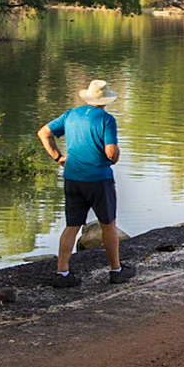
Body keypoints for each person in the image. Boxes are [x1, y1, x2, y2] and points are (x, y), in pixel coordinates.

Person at [38, 79, 135, 288]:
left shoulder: (70, 114)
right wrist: (115, 156)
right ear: (106, 100)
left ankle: (62, 273)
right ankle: (116, 270)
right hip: (98, 179)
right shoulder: (106, 119)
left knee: (72, 226)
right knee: (108, 225)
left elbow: (43, 133)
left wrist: (58, 157)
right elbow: (110, 152)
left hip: (72, 178)